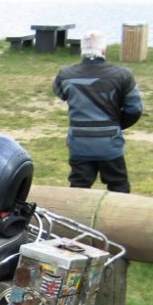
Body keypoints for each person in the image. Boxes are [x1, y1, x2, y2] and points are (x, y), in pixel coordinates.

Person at [52, 30, 142, 193]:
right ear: (104, 50)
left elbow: (61, 93)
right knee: (118, 185)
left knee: (79, 188)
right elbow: (134, 109)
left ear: (82, 50)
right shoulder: (123, 75)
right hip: (110, 142)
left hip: (79, 142)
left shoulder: (65, 75)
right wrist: (116, 124)